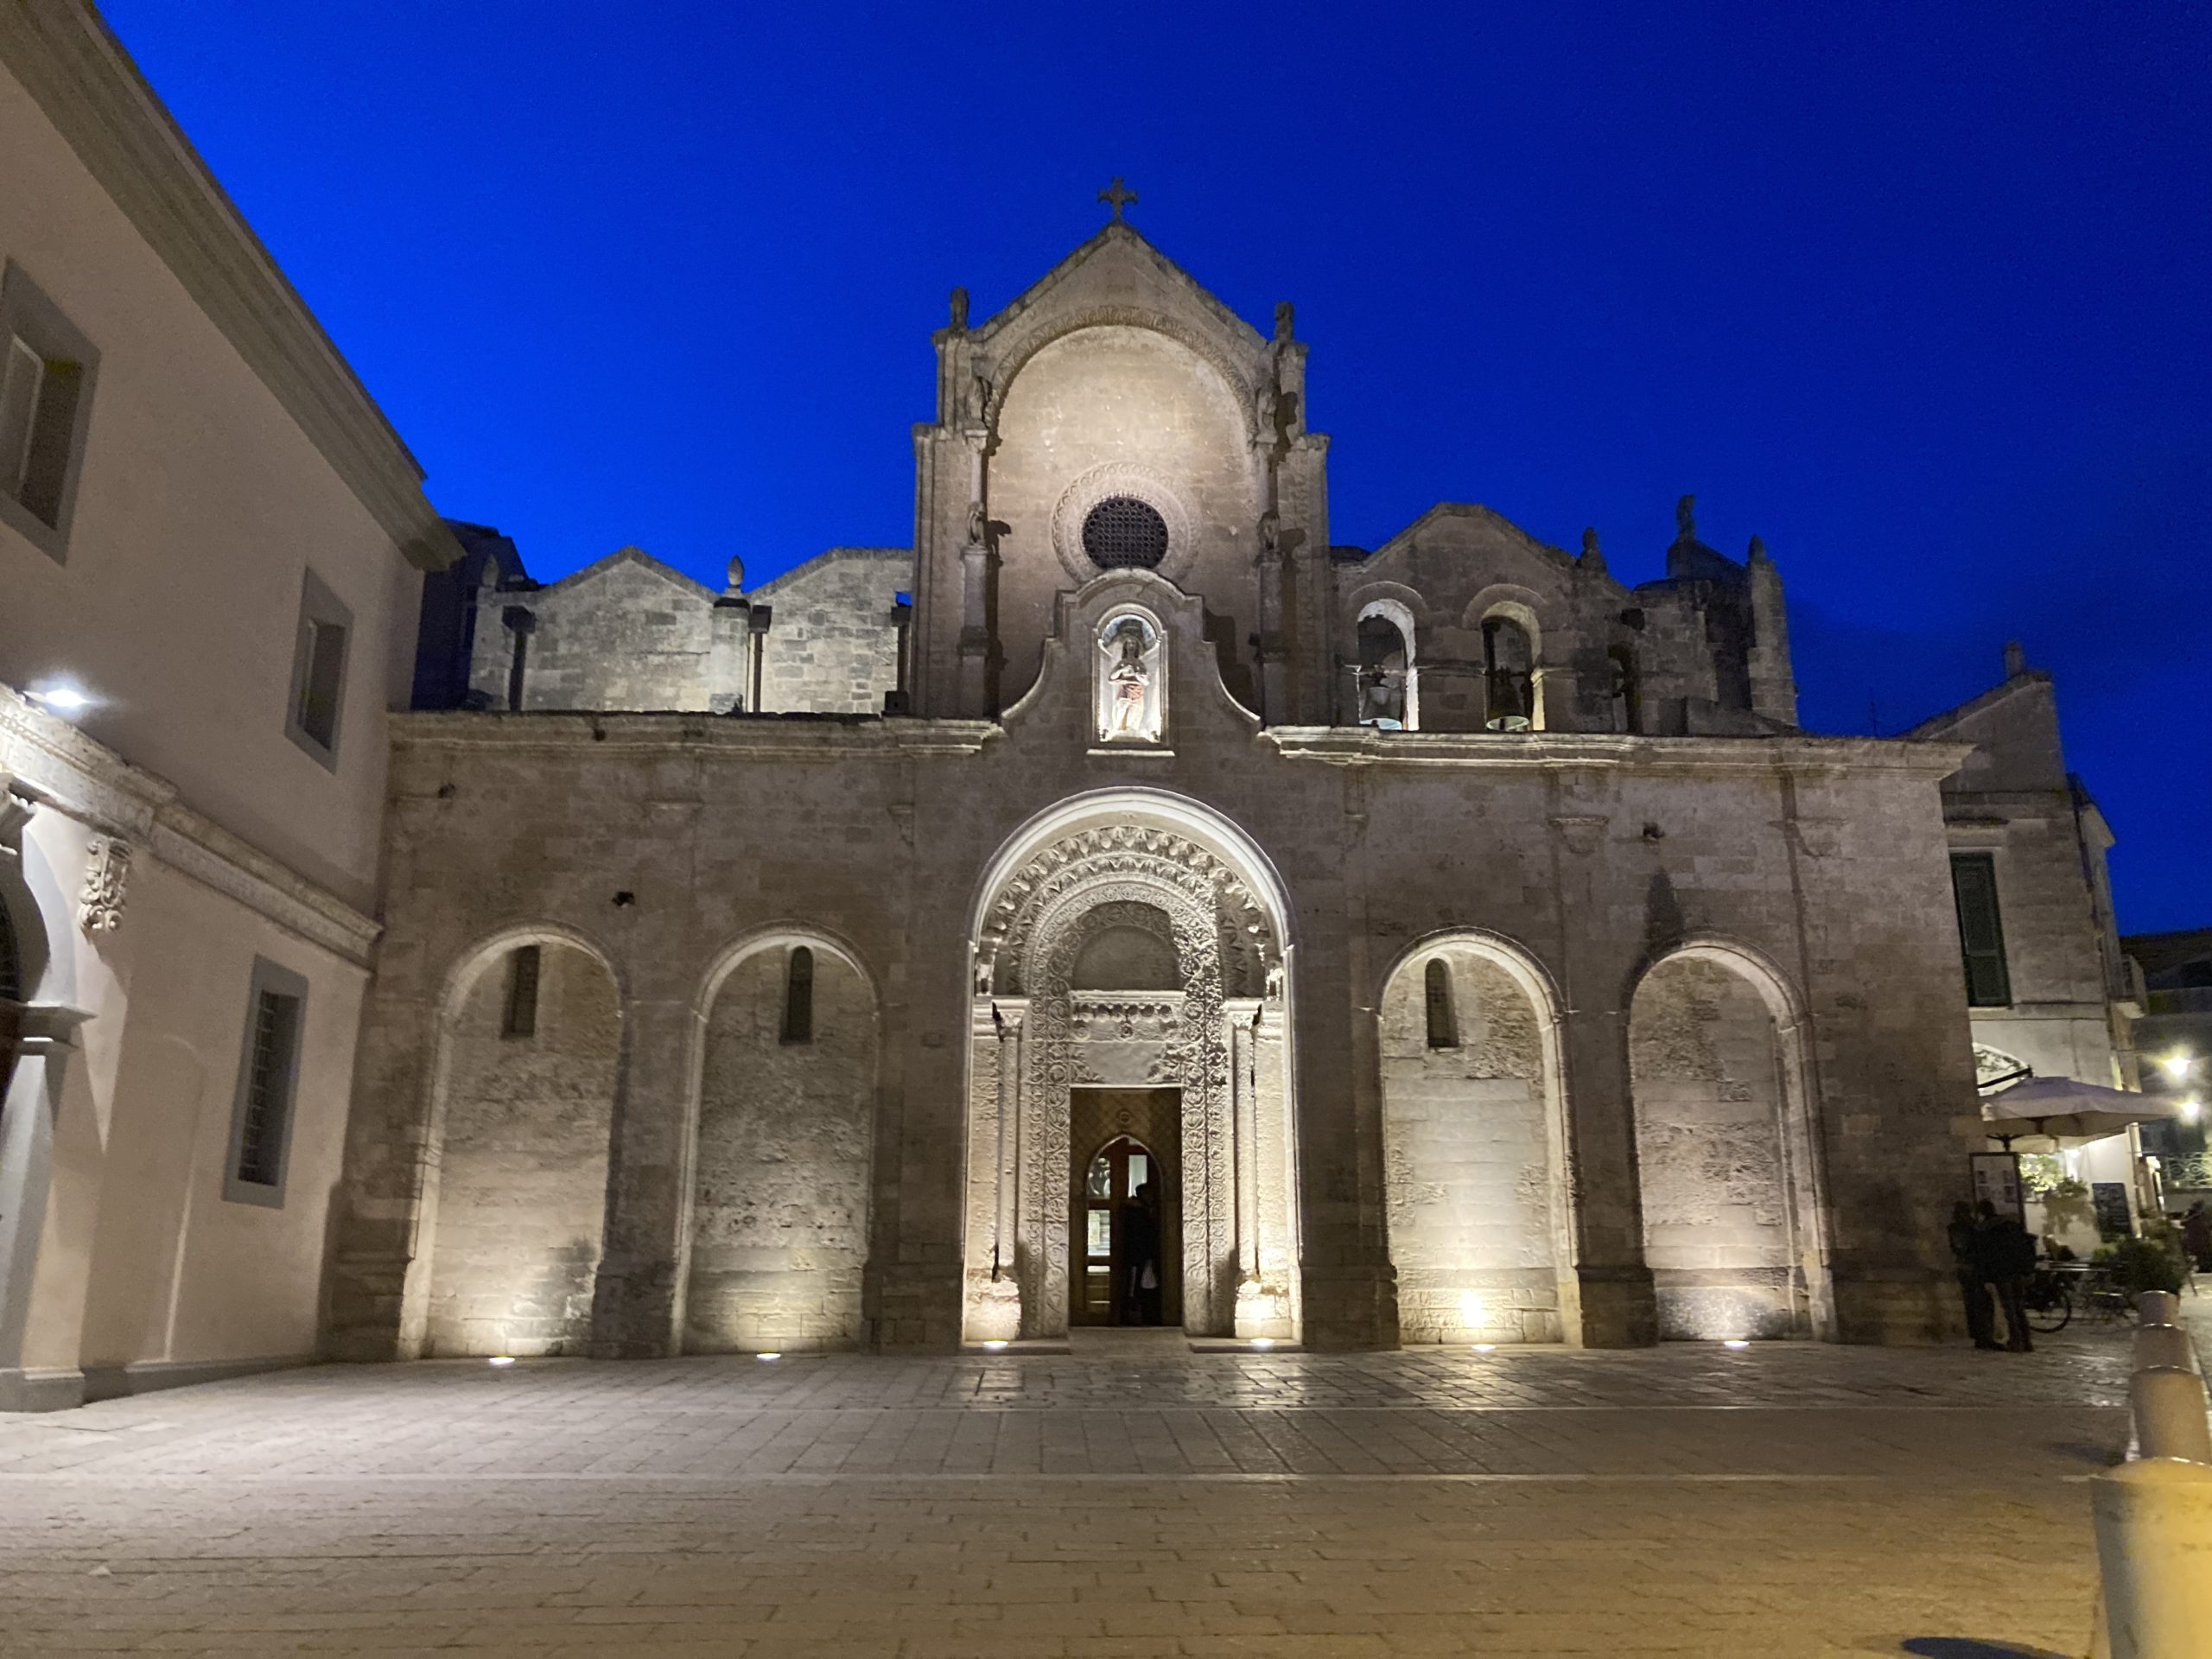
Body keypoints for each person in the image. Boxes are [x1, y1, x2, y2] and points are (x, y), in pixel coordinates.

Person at [1978, 1199, 2039, 1353]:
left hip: (2002, 1272)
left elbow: (1987, 1255)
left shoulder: (1988, 1230)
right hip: (2017, 1270)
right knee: (2019, 1307)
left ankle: (2016, 1341)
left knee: (2009, 1308)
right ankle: (2027, 1341)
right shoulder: (2012, 1227)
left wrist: (1987, 1276)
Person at [1948, 1200, 2000, 1351]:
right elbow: (1962, 1246)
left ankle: (1983, 1336)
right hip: (1970, 1268)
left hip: (1971, 1267)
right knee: (1979, 1303)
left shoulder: (1966, 1226)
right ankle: (1983, 1336)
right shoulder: (1963, 1227)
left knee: (1979, 1303)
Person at [1120, 1180, 1162, 1325]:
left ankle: (1146, 1316)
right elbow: (1140, 1235)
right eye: (1148, 1194)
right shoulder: (1136, 1212)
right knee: (1135, 1287)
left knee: (1144, 1286)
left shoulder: (1146, 1210)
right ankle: (1133, 1317)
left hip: (1144, 1255)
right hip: (1137, 1256)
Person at [2183, 1200, 2212, 1274]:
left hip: (2196, 1240)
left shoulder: (2191, 1216)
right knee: (2203, 1254)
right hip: (2202, 1240)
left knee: (2201, 1254)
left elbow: (2183, 1222)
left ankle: (2204, 1267)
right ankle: (2204, 1267)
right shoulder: (2200, 1216)